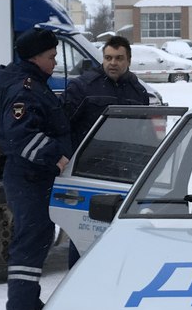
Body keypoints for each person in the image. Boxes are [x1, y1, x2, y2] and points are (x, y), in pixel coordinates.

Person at [0, 27, 73, 310]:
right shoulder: (24, 89)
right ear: (35, 57)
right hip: (28, 177)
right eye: (51, 57)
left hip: (33, 177)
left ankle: (27, 301)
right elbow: (21, 135)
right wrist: (57, 156)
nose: (55, 63)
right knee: (30, 242)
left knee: (37, 239)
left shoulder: (32, 83)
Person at [61, 35, 151, 267]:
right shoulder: (83, 87)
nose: (113, 63)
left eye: (119, 58)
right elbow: (62, 126)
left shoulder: (138, 91)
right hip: (88, 173)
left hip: (124, 174)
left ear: (128, 61)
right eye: (108, 57)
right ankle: (77, 280)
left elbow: (144, 133)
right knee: (83, 231)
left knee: (118, 233)